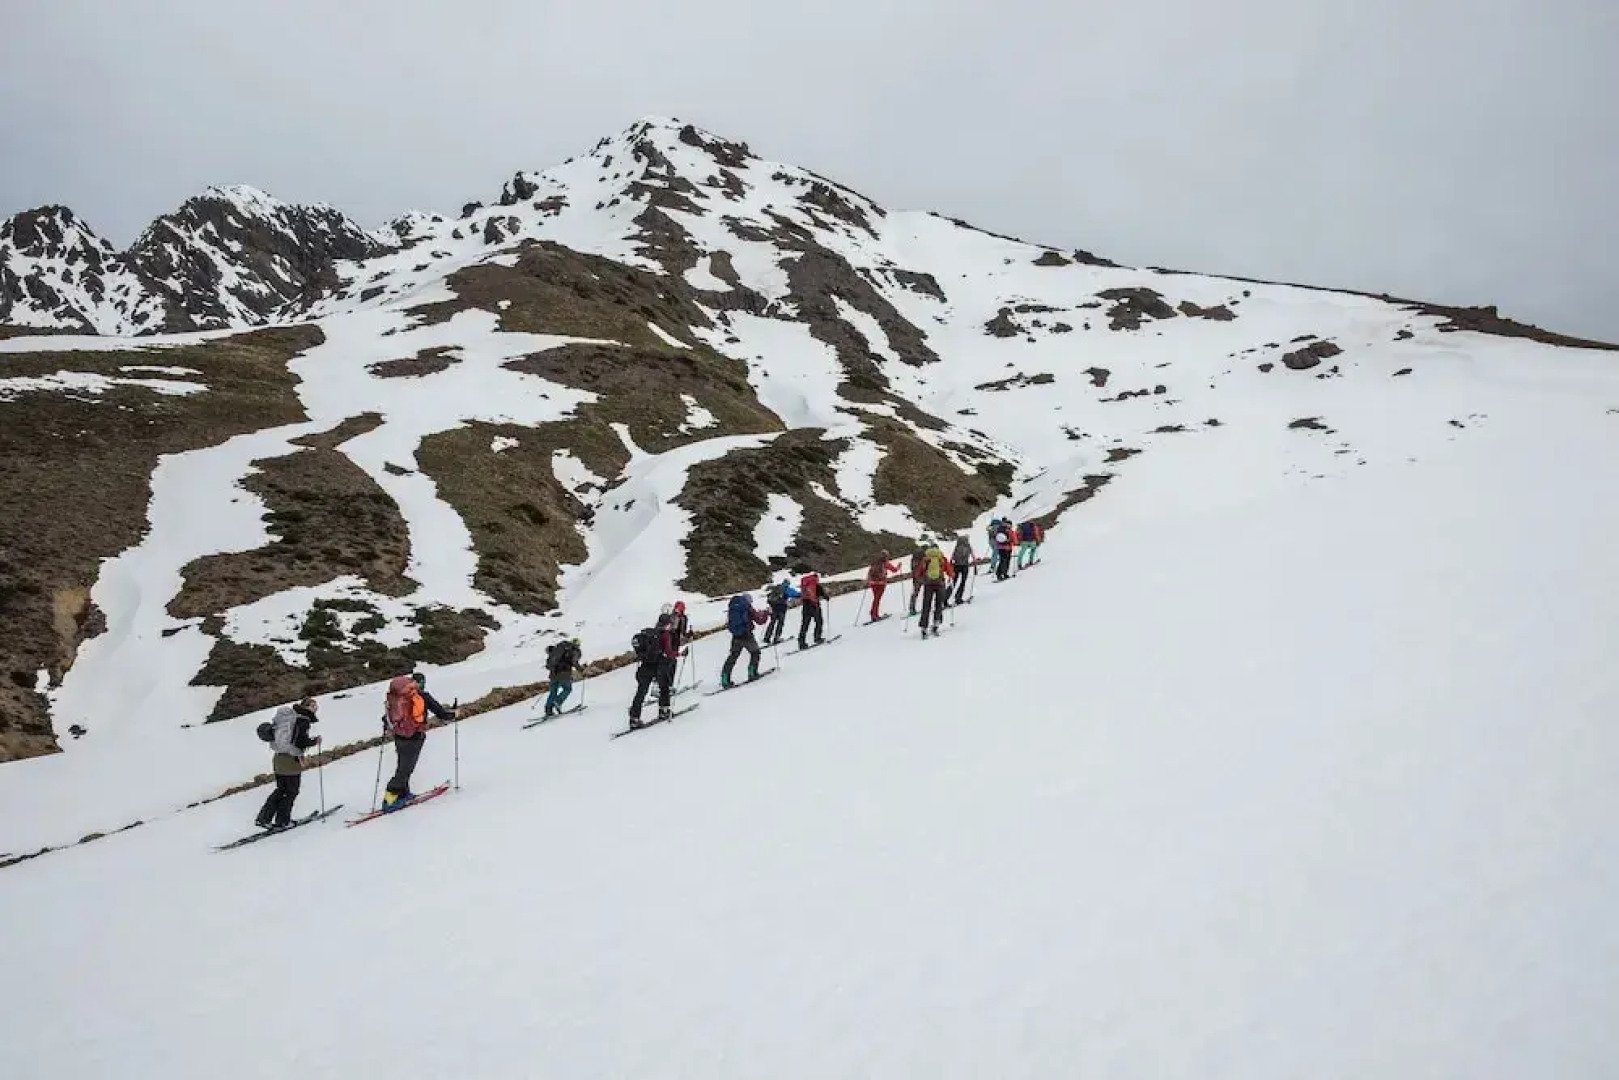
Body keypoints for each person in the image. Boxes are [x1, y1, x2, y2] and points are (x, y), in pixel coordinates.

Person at [382, 672, 456, 809]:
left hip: (399, 736)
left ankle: (403, 794)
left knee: (403, 765)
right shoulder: (422, 697)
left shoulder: (397, 697)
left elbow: (387, 716)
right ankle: (389, 800)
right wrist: (453, 714)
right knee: (406, 769)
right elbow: (442, 714)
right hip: (414, 737)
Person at [255, 697, 321, 829]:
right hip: (290, 761)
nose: (316, 708)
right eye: (313, 706)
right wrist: (314, 741)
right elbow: (299, 741)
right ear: (307, 707)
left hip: (279, 758)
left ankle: (263, 818)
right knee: (291, 791)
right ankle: (283, 821)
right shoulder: (303, 720)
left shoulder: (289, 717)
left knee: (281, 790)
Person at [628, 613, 679, 727]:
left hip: (645, 666)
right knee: (664, 687)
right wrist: (679, 654)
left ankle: (634, 718)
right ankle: (664, 710)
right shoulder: (664, 635)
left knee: (641, 692)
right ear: (667, 624)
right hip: (658, 666)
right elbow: (668, 652)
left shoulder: (650, 633)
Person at [720, 592, 770, 688]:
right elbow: (760, 621)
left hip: (736, 635)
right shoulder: (747, 608)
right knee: (755, 653)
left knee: (733, 657)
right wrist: (766, 614)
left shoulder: (733, 607)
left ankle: (725, 679)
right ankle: (752, 673)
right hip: (747, 635)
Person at [917, 540, 954, 637]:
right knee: (939, 605)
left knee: (926, 605)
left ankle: (924, 627)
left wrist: (921, 579)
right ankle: (936, 625)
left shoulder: (925, 559)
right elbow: (950, 572)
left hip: (928, 584)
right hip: (940, 584)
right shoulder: (942, 558)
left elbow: (918, 573)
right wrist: (951, 575)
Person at [543, 637, 582, 717]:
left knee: (553, 692)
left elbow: (548, 665)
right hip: (564, 673)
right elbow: (574, 662)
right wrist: (580, 669)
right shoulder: (574, 651)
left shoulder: (559, 649)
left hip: (553, 674)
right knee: (567, 689)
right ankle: (558, 702)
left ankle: (548, 709)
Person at [796, 566, 826, 648]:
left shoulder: (804, 583)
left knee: (805, 624)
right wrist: (816, 601)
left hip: (805, 605)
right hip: (813, 605)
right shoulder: (813, 582)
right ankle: (817, 638)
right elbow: (814, 592)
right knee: (819, 621)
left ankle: (801, 642)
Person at [865, 550, 900, 621]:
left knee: (875, 599)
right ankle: (874, 615)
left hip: (873, 583)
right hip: (881, 583)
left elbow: (870, 572)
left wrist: (868, 581)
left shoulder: (874, 562)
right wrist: (899, 566)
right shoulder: (885, 563)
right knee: (877, 599)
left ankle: (873, 613)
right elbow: (894, 570)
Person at [762, 576, 797, 645]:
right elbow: (795, 594)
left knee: (772, 622)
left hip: (773, 607)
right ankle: (776, 638)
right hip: (781, 608)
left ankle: (767, 637)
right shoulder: (786, 589)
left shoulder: (776, 587)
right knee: (780, 623)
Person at [950, 534, 975, 603]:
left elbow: (953, 556)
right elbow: (973, 556)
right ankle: (958, 597)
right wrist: (974, 563)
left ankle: (945, 597)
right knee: (963, 582)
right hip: (964, 566)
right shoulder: (968, 546)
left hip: (956, 565)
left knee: (953, 582)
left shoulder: (957, 546)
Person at [908, 546, 926, 615]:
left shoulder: (913, 560)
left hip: (916, 578)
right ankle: (926, 606)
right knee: (927, 592)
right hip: (923, 577)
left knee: (915, 593)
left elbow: (912, 569)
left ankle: (912, 608)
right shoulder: (923, 558)